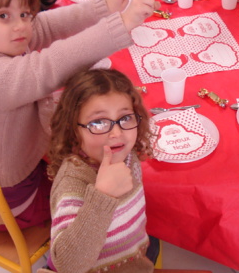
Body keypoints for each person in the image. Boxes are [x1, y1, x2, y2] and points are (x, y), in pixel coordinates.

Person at [0, 0, 159, 230]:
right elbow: (47, 67)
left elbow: (43, 25)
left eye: (24, 14)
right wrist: (124, 21)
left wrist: (103, 6)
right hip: (3, 201)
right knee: (105, 193)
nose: (21, 25)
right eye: (3, 16)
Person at [39, 69, 156, 273]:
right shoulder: (73, 182)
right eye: (99, 123)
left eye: (125, 118)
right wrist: (103, 196)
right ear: (74, 129)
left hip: (132, 256)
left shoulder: (126, 153)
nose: (117, 133)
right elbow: (68, 266)